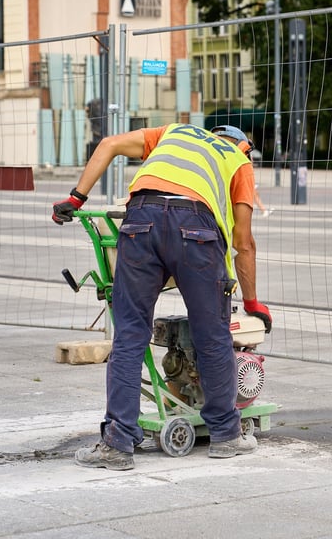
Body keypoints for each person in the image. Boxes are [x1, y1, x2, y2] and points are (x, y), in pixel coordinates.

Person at [51, 123, 273, 470]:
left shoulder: (176, 132)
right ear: (243, 148)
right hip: (197, 228)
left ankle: (117, 444)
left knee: (129, 336)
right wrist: (251, 303)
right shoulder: (237, 158)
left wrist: (76, 198)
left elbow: (109, 144)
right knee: (213, 334)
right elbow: (243, 241)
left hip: (140, 219)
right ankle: (227, 436)